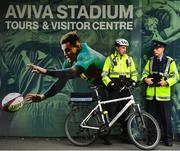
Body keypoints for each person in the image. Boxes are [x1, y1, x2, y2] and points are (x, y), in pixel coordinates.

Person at [142, 39, 179, 147]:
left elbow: (176, 76)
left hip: (163, 96)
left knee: (166, 119)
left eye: (157, 48)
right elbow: (144, 73)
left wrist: (167, 82)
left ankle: (168, 139)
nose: (155, 50)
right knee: (150, 119)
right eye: (154, 48)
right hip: (151, 95)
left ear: (163, 49)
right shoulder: (150, 60)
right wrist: (145, 79)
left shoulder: (170, 61)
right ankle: (151, 139)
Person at [101, 38, 138, 143]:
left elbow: (134, 73)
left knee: (126, 112)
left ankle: (126, 135)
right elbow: (104, 75)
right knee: (111, 112)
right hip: (114, 89)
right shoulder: (110, 59)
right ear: (117, 48)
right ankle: (106, 135)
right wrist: (111, 83)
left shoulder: (129, 59)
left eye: (125, 48)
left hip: (125, 88)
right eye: (122, 47)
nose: (124, 49)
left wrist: (133, 81)